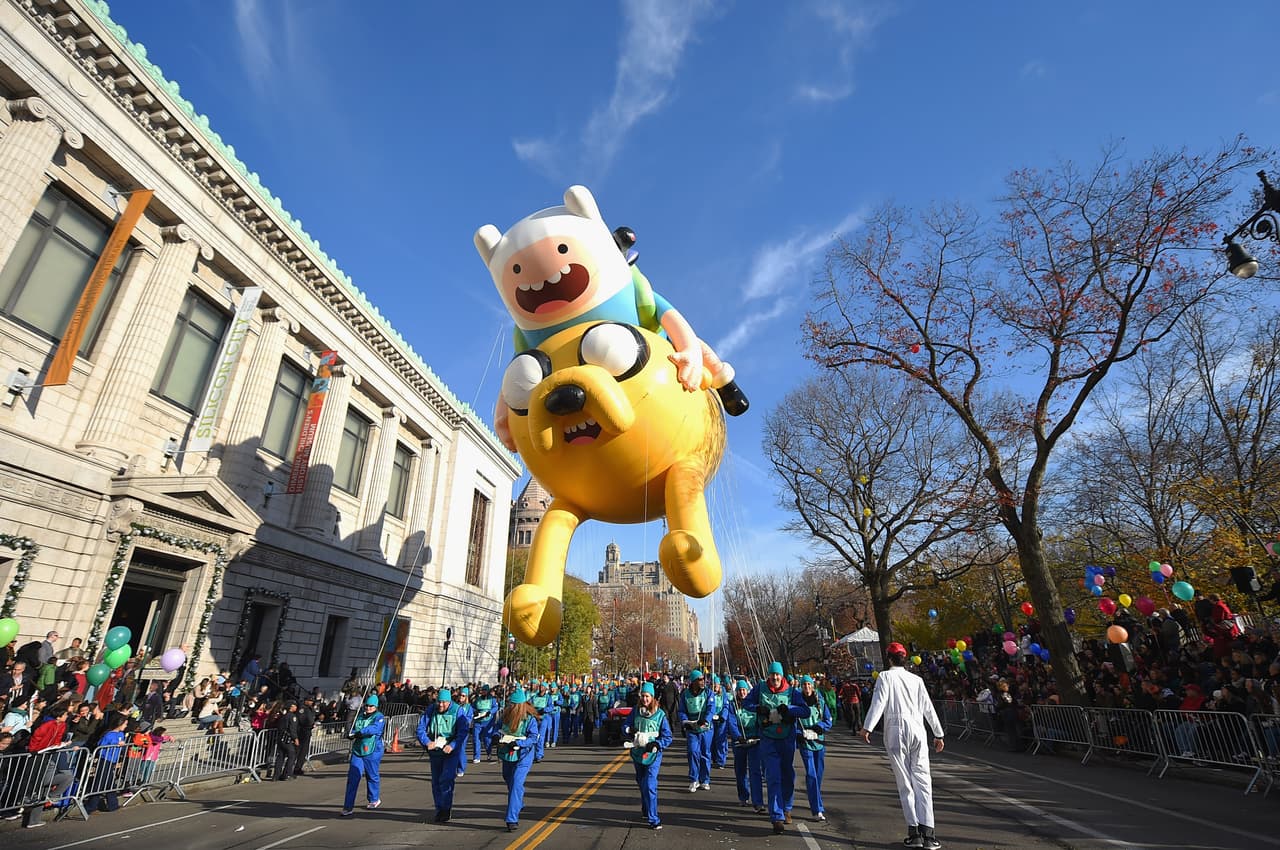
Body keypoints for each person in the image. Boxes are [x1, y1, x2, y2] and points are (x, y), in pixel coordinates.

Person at [859, 642, 946, 850]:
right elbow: (928, 707)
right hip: (917, 729)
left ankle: (914, 831)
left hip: (896, 730)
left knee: (905, 782)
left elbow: (878, 703)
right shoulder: (916, 680)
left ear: (889, 658)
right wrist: (938, 733)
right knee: (923, 780)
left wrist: (867, 727)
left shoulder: (886, 677)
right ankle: (929, 833)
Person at [743, 662, 810, 834]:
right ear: (768, 676)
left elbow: (805, 711)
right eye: (772, 675)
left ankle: (787, 807)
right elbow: (746, 703)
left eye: (777, 675)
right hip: (768, 738)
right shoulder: (760, 688)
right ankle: (777, 817)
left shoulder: (791, 691)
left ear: (782, 676)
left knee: (787, 775)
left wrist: (789, 710)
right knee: (773, 776)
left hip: (786, 739)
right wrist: (759, 708)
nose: (775, 678)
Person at [624, 681, 672, 830]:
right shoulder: (635, 710)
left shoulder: (660, 715)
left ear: (652, 697)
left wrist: (657, 744)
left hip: (653, 754)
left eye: (647, 696)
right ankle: (646, 808)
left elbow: (668, 737)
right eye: (643, 696)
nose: (645, 699)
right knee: (641, 781)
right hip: (638, 753)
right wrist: (629, 730)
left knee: (650, 784)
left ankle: (653, 819)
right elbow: (625, 725)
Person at [417, 688, 470, 823]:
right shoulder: (431, 709)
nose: (441, 705)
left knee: (446, 779)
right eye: (439, 702)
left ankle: (446, 809)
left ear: (449, 701)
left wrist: (452, 746)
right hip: (435, 751)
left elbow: (463, 732)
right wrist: (427, 742)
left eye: (444, 703)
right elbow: (420, 729)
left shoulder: (458, 711)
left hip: (450, 751)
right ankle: (439, 808)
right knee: (436, 782)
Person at [496, 686, 541, 832]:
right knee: (508, 779)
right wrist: (496, 737)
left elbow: (533, 738)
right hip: (507, 753)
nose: (511, 707)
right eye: (510, 704)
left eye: (514, 705)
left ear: (520, 706)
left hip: (523, 755)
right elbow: (496, 729)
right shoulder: (505, 716)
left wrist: (519, 743)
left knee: (516, 782)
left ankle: (511, 819)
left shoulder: (530, 719)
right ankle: (518, 802)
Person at [341, 695, 385, 816]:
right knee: (353, 778)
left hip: (373, 749)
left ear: (375, 707)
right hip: (358, 749)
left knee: (372, 775)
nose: (368, 708)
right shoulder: (360, 716)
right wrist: (352, 733)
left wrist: (360, 733)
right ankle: (348, 806)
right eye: (367, 705)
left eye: (371, 706)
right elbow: (355, 728)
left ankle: (374, 799)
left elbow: (374, 729)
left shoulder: (379, 717)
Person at [796, 675, 832, 822]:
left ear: (812, 686)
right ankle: (817, 809)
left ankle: (815, 798)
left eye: (809, 685)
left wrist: (819, 728)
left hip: (819, 742)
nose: (807, 687)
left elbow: (828, 720)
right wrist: (800, 733)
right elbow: (793, 722)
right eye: (804, 685)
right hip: (805, 743)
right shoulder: (798, 702)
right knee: (811, 774)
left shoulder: (820, 701)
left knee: (818, 775)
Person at [725, 679, 764, 813]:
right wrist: (738, 737)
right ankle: (743, 796)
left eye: (744, 690)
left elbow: (760, 720)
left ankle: (758, 802)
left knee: (755, 770)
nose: (742, 692)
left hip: (754, 740)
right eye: (740, 690)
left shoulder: (754, 704)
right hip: (740, 741)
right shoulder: (732, 705)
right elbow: (731, 722)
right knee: (740, 770)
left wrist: (758, 734)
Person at [677, 669, 713, 792]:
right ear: (693, 682)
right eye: (700, 679)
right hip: (692, 729)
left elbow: (710, 708)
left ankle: (705, 779)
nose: (703, 681)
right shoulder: (685, 694)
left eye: (703, 679)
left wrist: (706, 720)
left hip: (705, 729)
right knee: (693, 752)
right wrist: (685, 721)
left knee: (705, 754)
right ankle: (694, 779)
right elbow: (681, 711)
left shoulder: (708, 693)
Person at [272, 700, 301, 781]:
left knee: (280, 757)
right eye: (294, 706)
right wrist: (295, 738)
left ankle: (276, 775)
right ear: (291, 707)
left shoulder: (283, 716)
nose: (296, 707)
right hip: (288, 740)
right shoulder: (292, 716)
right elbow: (292, 729)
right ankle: (287, 774)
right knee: (292, 756)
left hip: (281, 739)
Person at [471, 685, 499, 763]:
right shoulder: (477, 699)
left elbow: (496, 707)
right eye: (482, 690)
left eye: (485, 690)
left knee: (487, 740)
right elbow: (472, 707)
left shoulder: (492, 699)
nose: (483, 692)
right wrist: (475, 711)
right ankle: (476, 756)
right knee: (476, 739)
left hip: (488, 722)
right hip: (478, 722)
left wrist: (489, 712)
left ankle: (489, 753)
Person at [709, 677, 730, 768]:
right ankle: (714, 758)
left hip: (721, 720)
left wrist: (723, 716)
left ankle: (721, 760)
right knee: (712, 739)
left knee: (720, 739)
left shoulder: (723, 695)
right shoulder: (709, 694)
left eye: (716, 685)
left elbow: (726, 706)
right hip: (712, 720)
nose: (714, 687)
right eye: (713, 685)